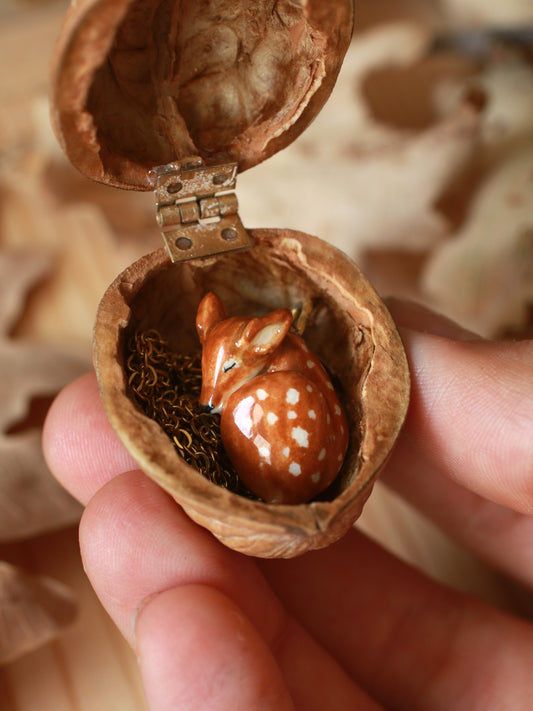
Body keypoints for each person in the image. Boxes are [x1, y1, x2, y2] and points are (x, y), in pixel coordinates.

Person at [43, 299, 533, 711]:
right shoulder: (282, 361)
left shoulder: (275, 378)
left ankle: (276, 481)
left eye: (229, 371)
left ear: (266, 344)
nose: (210, 394)